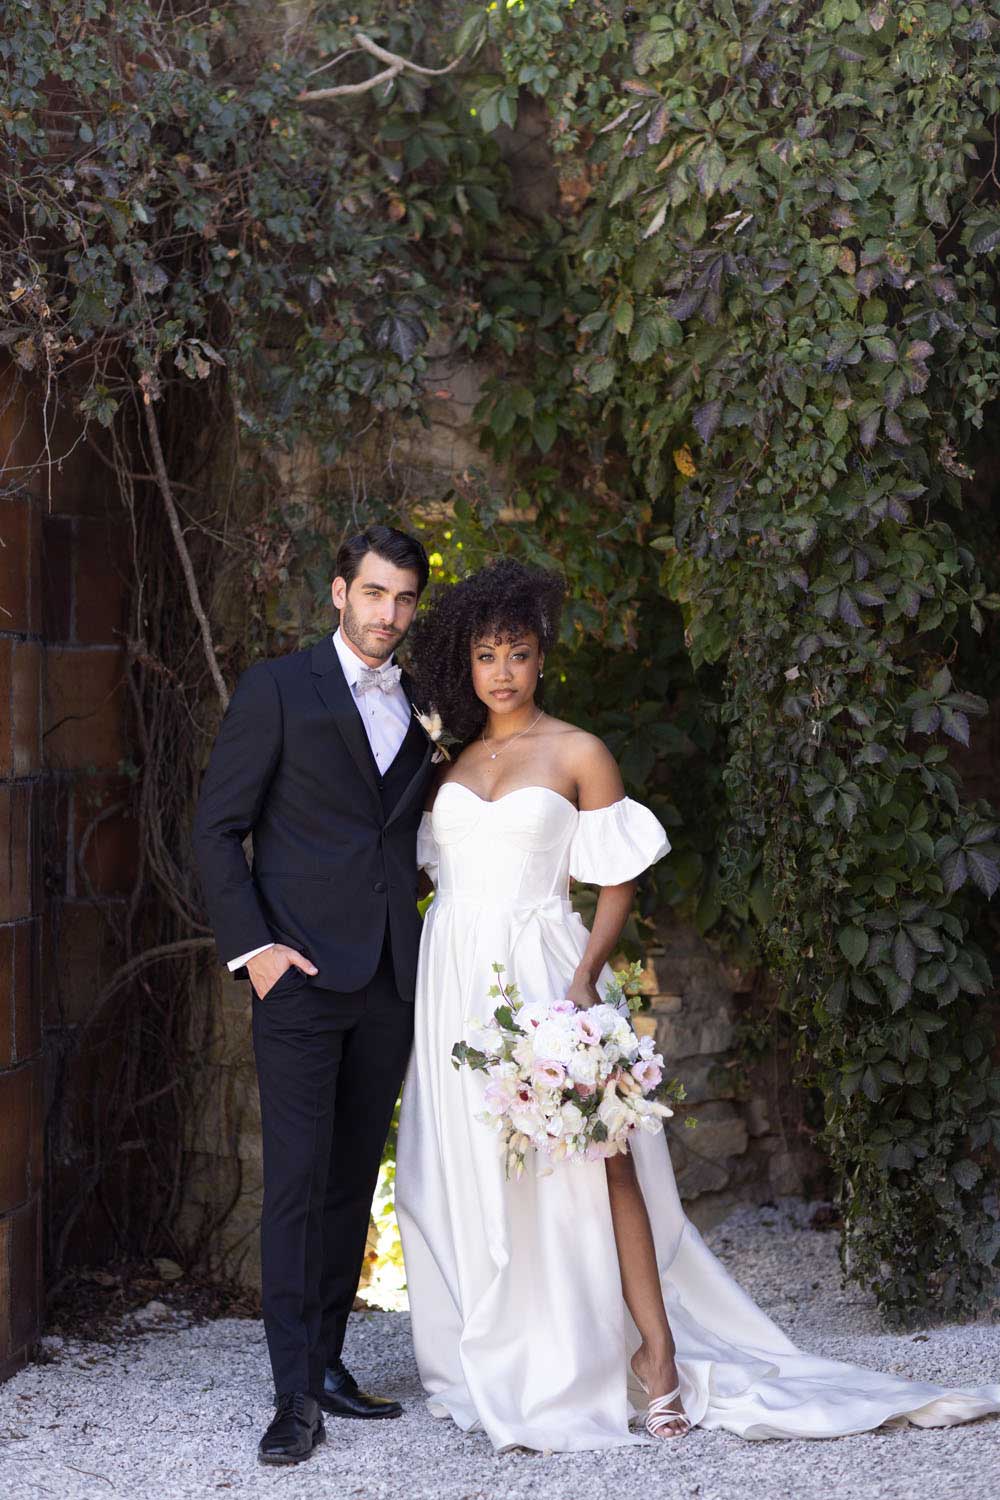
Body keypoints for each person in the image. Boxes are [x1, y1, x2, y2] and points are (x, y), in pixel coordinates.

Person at [395, 557, 1000, 1453]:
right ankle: (514, 1352)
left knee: (606, 1163)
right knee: (474, 1168)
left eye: (518, 653)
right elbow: (426, 874)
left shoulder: (578, 751)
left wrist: (583, 982)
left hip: (547, 973)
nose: (503, 672)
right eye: (486, 656)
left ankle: (660, 1356)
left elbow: (616, 884)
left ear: (540, 657)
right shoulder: (447, 767)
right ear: (469, 663)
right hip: (455, 987)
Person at [193, 525, 437, 1465]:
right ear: (339, 592)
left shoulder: (421, 704)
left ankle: (328, 1359)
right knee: (295, 1181)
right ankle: (293, 1395)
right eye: (374, 594)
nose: (389, 615)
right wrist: (254, 950)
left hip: (386, 976)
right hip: (294, 976)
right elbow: (217, 829)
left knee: (348, 1178)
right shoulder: (277, 688)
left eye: (405, 600)